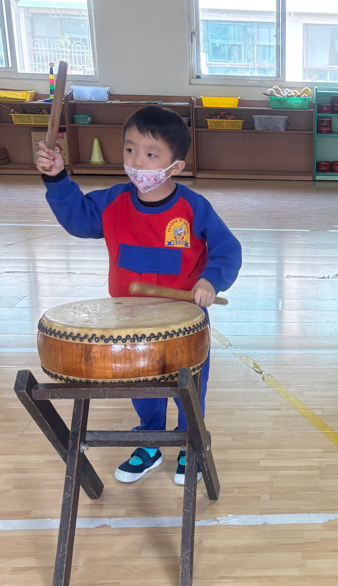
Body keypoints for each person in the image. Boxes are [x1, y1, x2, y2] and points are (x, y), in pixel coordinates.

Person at [35, 105, 242, 485]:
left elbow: (227, 248)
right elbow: (78, 219)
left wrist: (210, 281)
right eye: (130, 149)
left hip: (184, 322)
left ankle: (191, 441)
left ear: (175, 166)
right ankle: (150, 440)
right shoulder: (113, 201)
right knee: (141, 385)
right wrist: (57, 177)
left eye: (150, 154)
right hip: (129, 320)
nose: (136, 161)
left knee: (189, 386)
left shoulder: (193, 207)